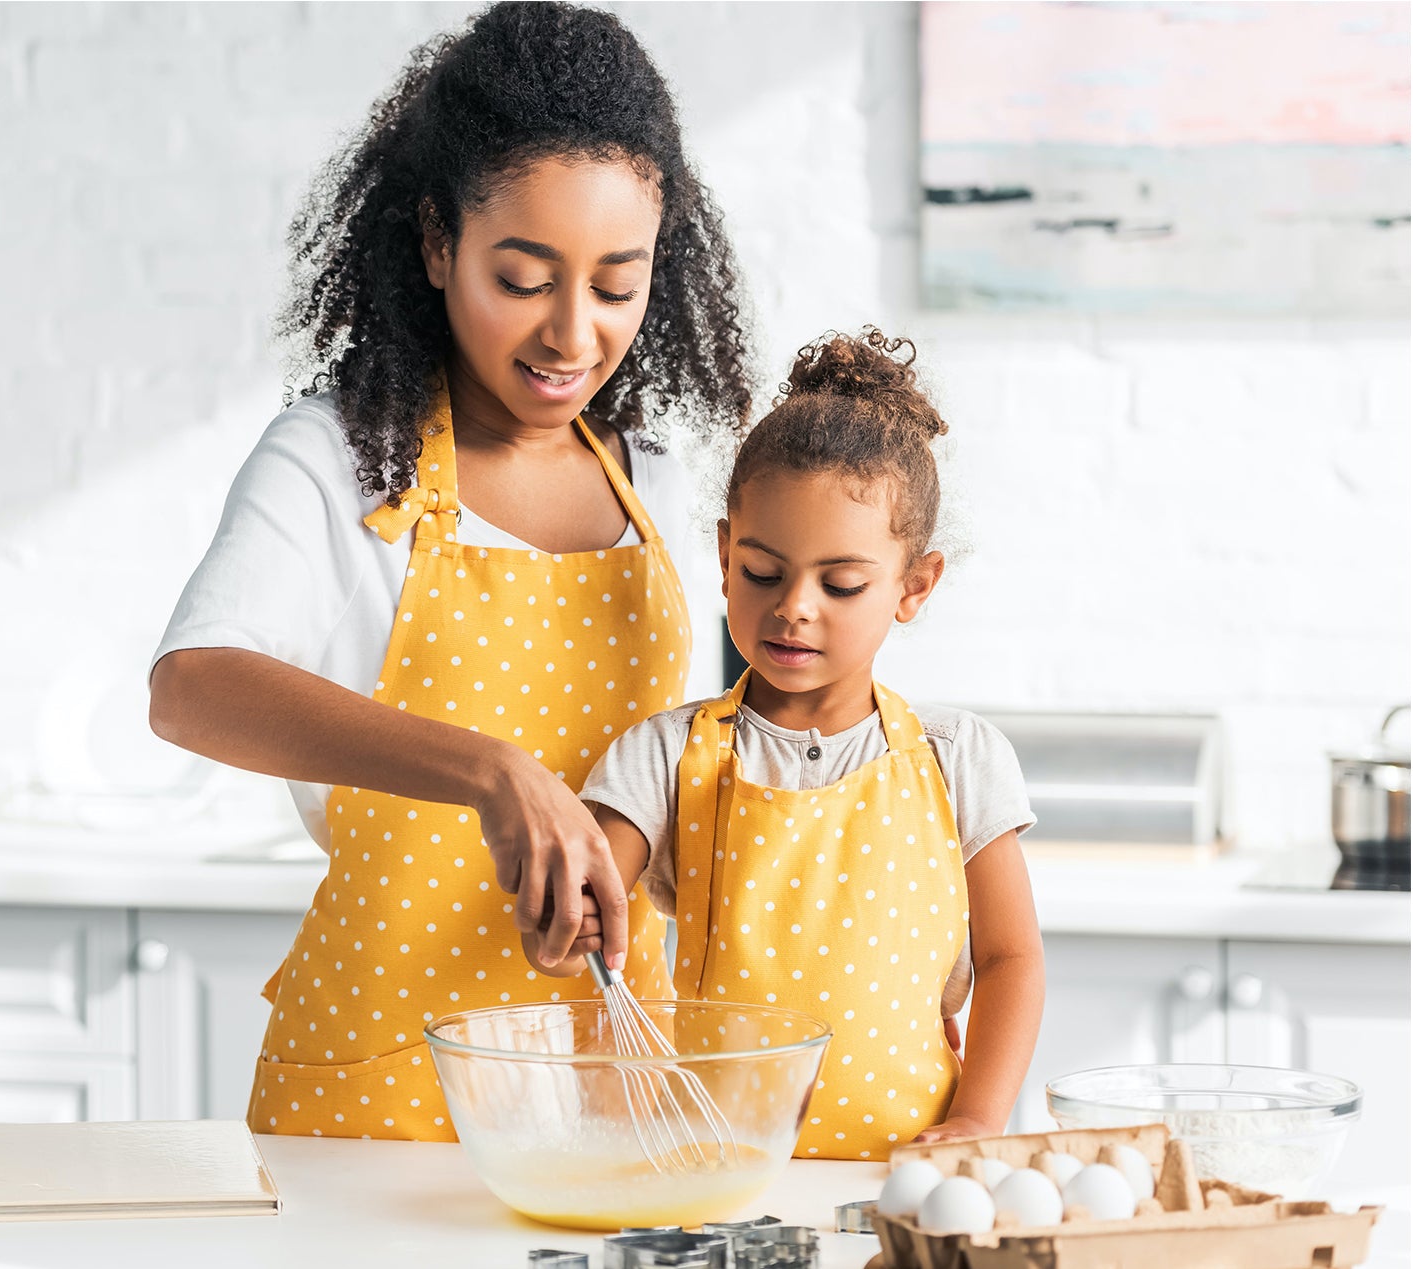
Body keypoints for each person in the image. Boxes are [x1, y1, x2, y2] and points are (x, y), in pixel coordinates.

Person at [149, 1, 755, 1141]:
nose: (573, 333)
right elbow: (190, 686)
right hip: (380, 1086)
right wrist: (491, 774)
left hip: (612, 1073)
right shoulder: (337, 460)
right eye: (523, 278)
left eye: (616, 285)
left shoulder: (660, 489)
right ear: (437, 244)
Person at [558, 328, 1045, 1160]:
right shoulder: (661, 754)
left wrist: (976, 1119)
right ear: (721, 556)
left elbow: (1010, 958)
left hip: (908, 1173)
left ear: (911, 586)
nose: (794, 607)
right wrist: (572, 908)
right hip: (718, 1171)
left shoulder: (955, 757)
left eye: (841, 583)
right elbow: (592, 888)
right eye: (761, 572)